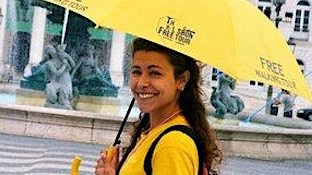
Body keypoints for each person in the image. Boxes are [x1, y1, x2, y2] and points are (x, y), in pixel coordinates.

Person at [95, 38, 222, 175]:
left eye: (155, 73)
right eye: (137, 72)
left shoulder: (172, 145)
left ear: (182, 80)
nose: (142, 83)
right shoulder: (155, 131)